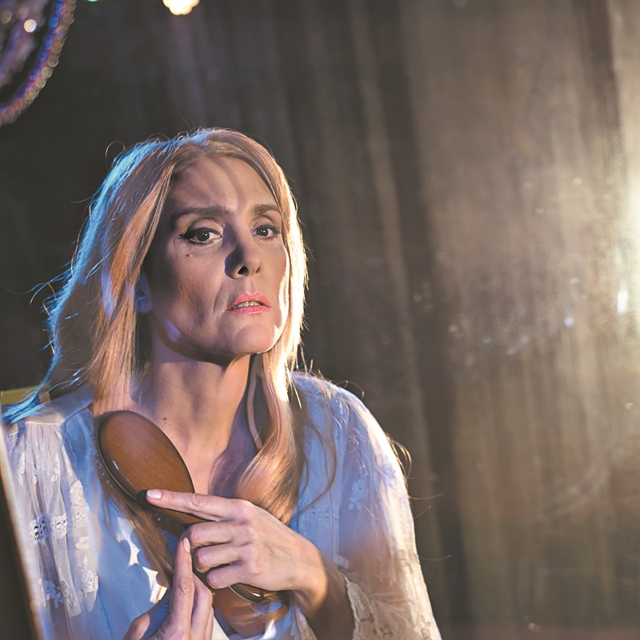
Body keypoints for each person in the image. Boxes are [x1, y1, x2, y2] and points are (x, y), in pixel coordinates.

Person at [5, 129, 441, 640]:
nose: (248, 257)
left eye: (266, 228)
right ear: (138, 281)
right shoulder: (28, 461)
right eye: (203, 233)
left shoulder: (338, 429)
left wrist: (316, 578)